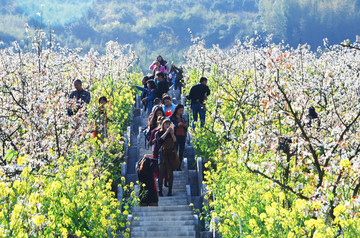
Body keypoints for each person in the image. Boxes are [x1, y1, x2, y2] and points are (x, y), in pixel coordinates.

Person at [156, 119, 179, 196]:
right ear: (162, 124)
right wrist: (166, 132)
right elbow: (159, 142)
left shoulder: (172, 132)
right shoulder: (158, 133)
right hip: (162, 155)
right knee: (161, 173)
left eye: (168, 124)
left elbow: (175, 142)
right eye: (166, 124)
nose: (167, 125)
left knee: (171, 174)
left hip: (171, 155)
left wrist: (172, 134)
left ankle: (170, 191)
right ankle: (160, 190)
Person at [170, 104, 187, 170]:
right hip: (175, 135)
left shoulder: (182, 118)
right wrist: (177, 125)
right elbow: (171, 127)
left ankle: (179, 167)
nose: (181, 112)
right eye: (180, 110)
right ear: (177, 110)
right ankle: (174, 166)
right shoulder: (172, 117)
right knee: (175, 151)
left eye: (182, 111)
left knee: (181, 152)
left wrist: (184, 125)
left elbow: (186, 128)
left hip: (182, 135)